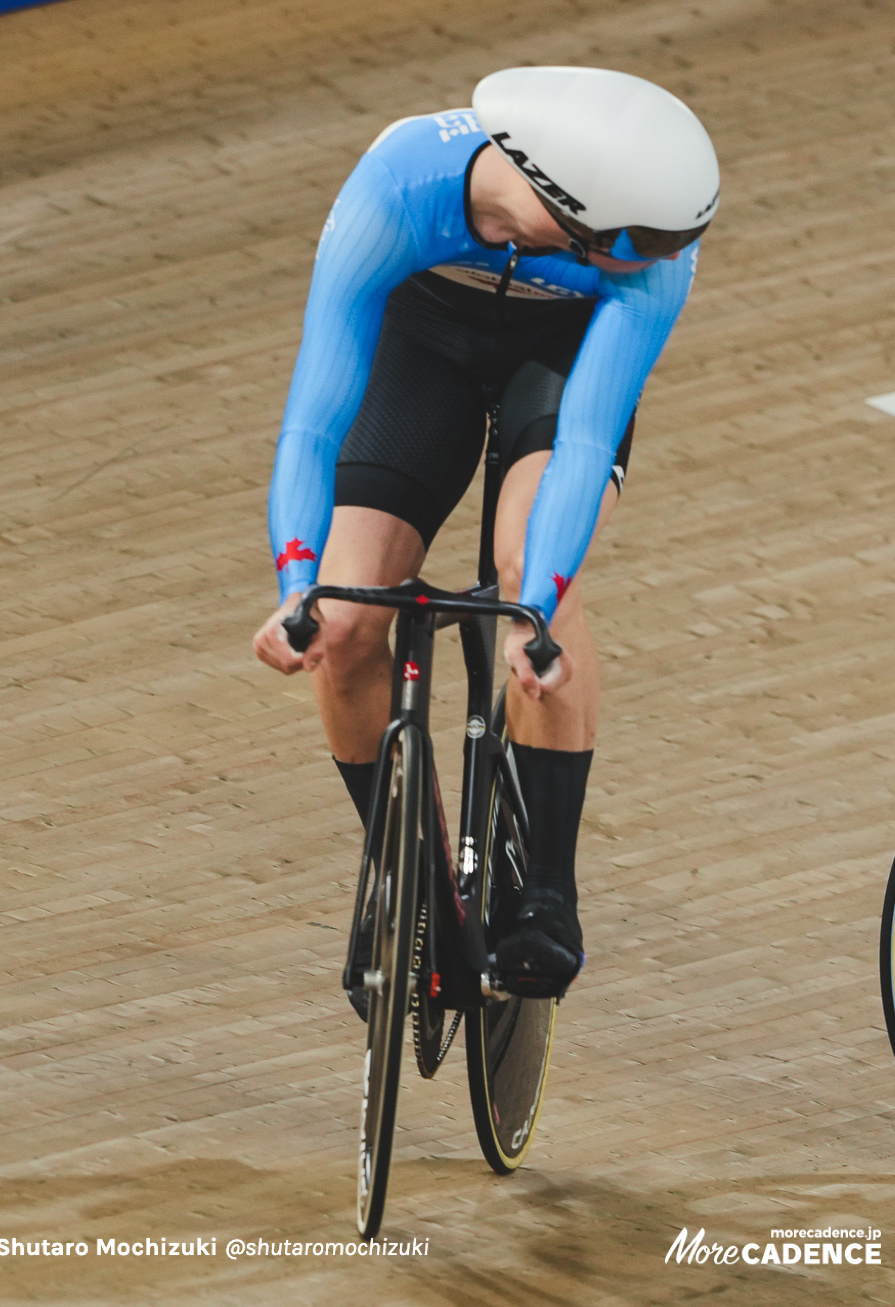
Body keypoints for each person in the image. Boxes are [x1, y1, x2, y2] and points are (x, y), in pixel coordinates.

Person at [251, 66, 718, 1003]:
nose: (649, 258)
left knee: (530, 566)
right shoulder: (397, 186)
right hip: (423, 345)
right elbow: (314, 416)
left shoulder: (652, 253)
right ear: (565, 203)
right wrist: (297, 580)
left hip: (562, 356)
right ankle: (408, 881)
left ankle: (548, 887)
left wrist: (535, 606)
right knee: (342, 624)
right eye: (625, 244)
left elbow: (585, 434)